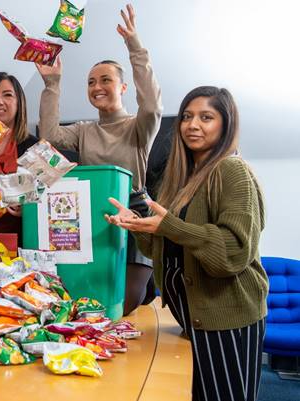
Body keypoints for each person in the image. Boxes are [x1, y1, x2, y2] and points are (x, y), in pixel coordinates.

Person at [105, 86, 267, 401]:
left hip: (227, 316)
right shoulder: (182, 178)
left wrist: (170, 225)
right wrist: (138, 227)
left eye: (206, 117)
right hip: (191, 314)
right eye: (187, 117)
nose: (193, 125)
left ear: (226, 124)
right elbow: (162, 250)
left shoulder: (232, 171)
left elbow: (233, 252)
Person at [35, 4, 162, 315]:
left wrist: (134, 46)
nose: (96, 87)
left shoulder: (138, 127)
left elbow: (152, 106)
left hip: (134, 213)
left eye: (104, 80)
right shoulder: (83, 130)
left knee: (126, 304)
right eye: (91, 82)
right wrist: (52, 84)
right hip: (92, 217)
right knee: (93, 303)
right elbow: (49, 136)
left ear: (122, 87)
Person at [0, 72, 38, 237]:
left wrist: (28, 209)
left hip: (18, 242)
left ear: (19, 104)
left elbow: (47, 200)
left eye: (8, 95)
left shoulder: (32, 147)